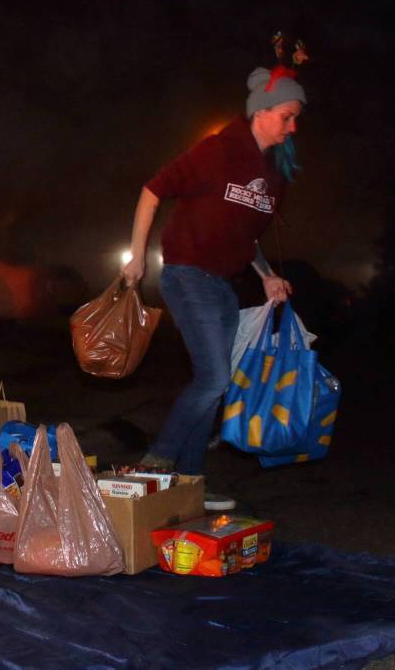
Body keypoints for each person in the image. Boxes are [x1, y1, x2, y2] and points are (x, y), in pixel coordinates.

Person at [121, 66, 306, 489]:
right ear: (261, 111)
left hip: (223, 285)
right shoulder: (218, 150)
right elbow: (153, 191)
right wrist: (136, 257)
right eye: (287, 116)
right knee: (215, 378)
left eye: (296, 118)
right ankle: (159, 459)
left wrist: (266, 276)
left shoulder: (273, 177)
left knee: (214, 384)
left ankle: (189, 483)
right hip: (187, 275)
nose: (292, 127)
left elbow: (246, 238)